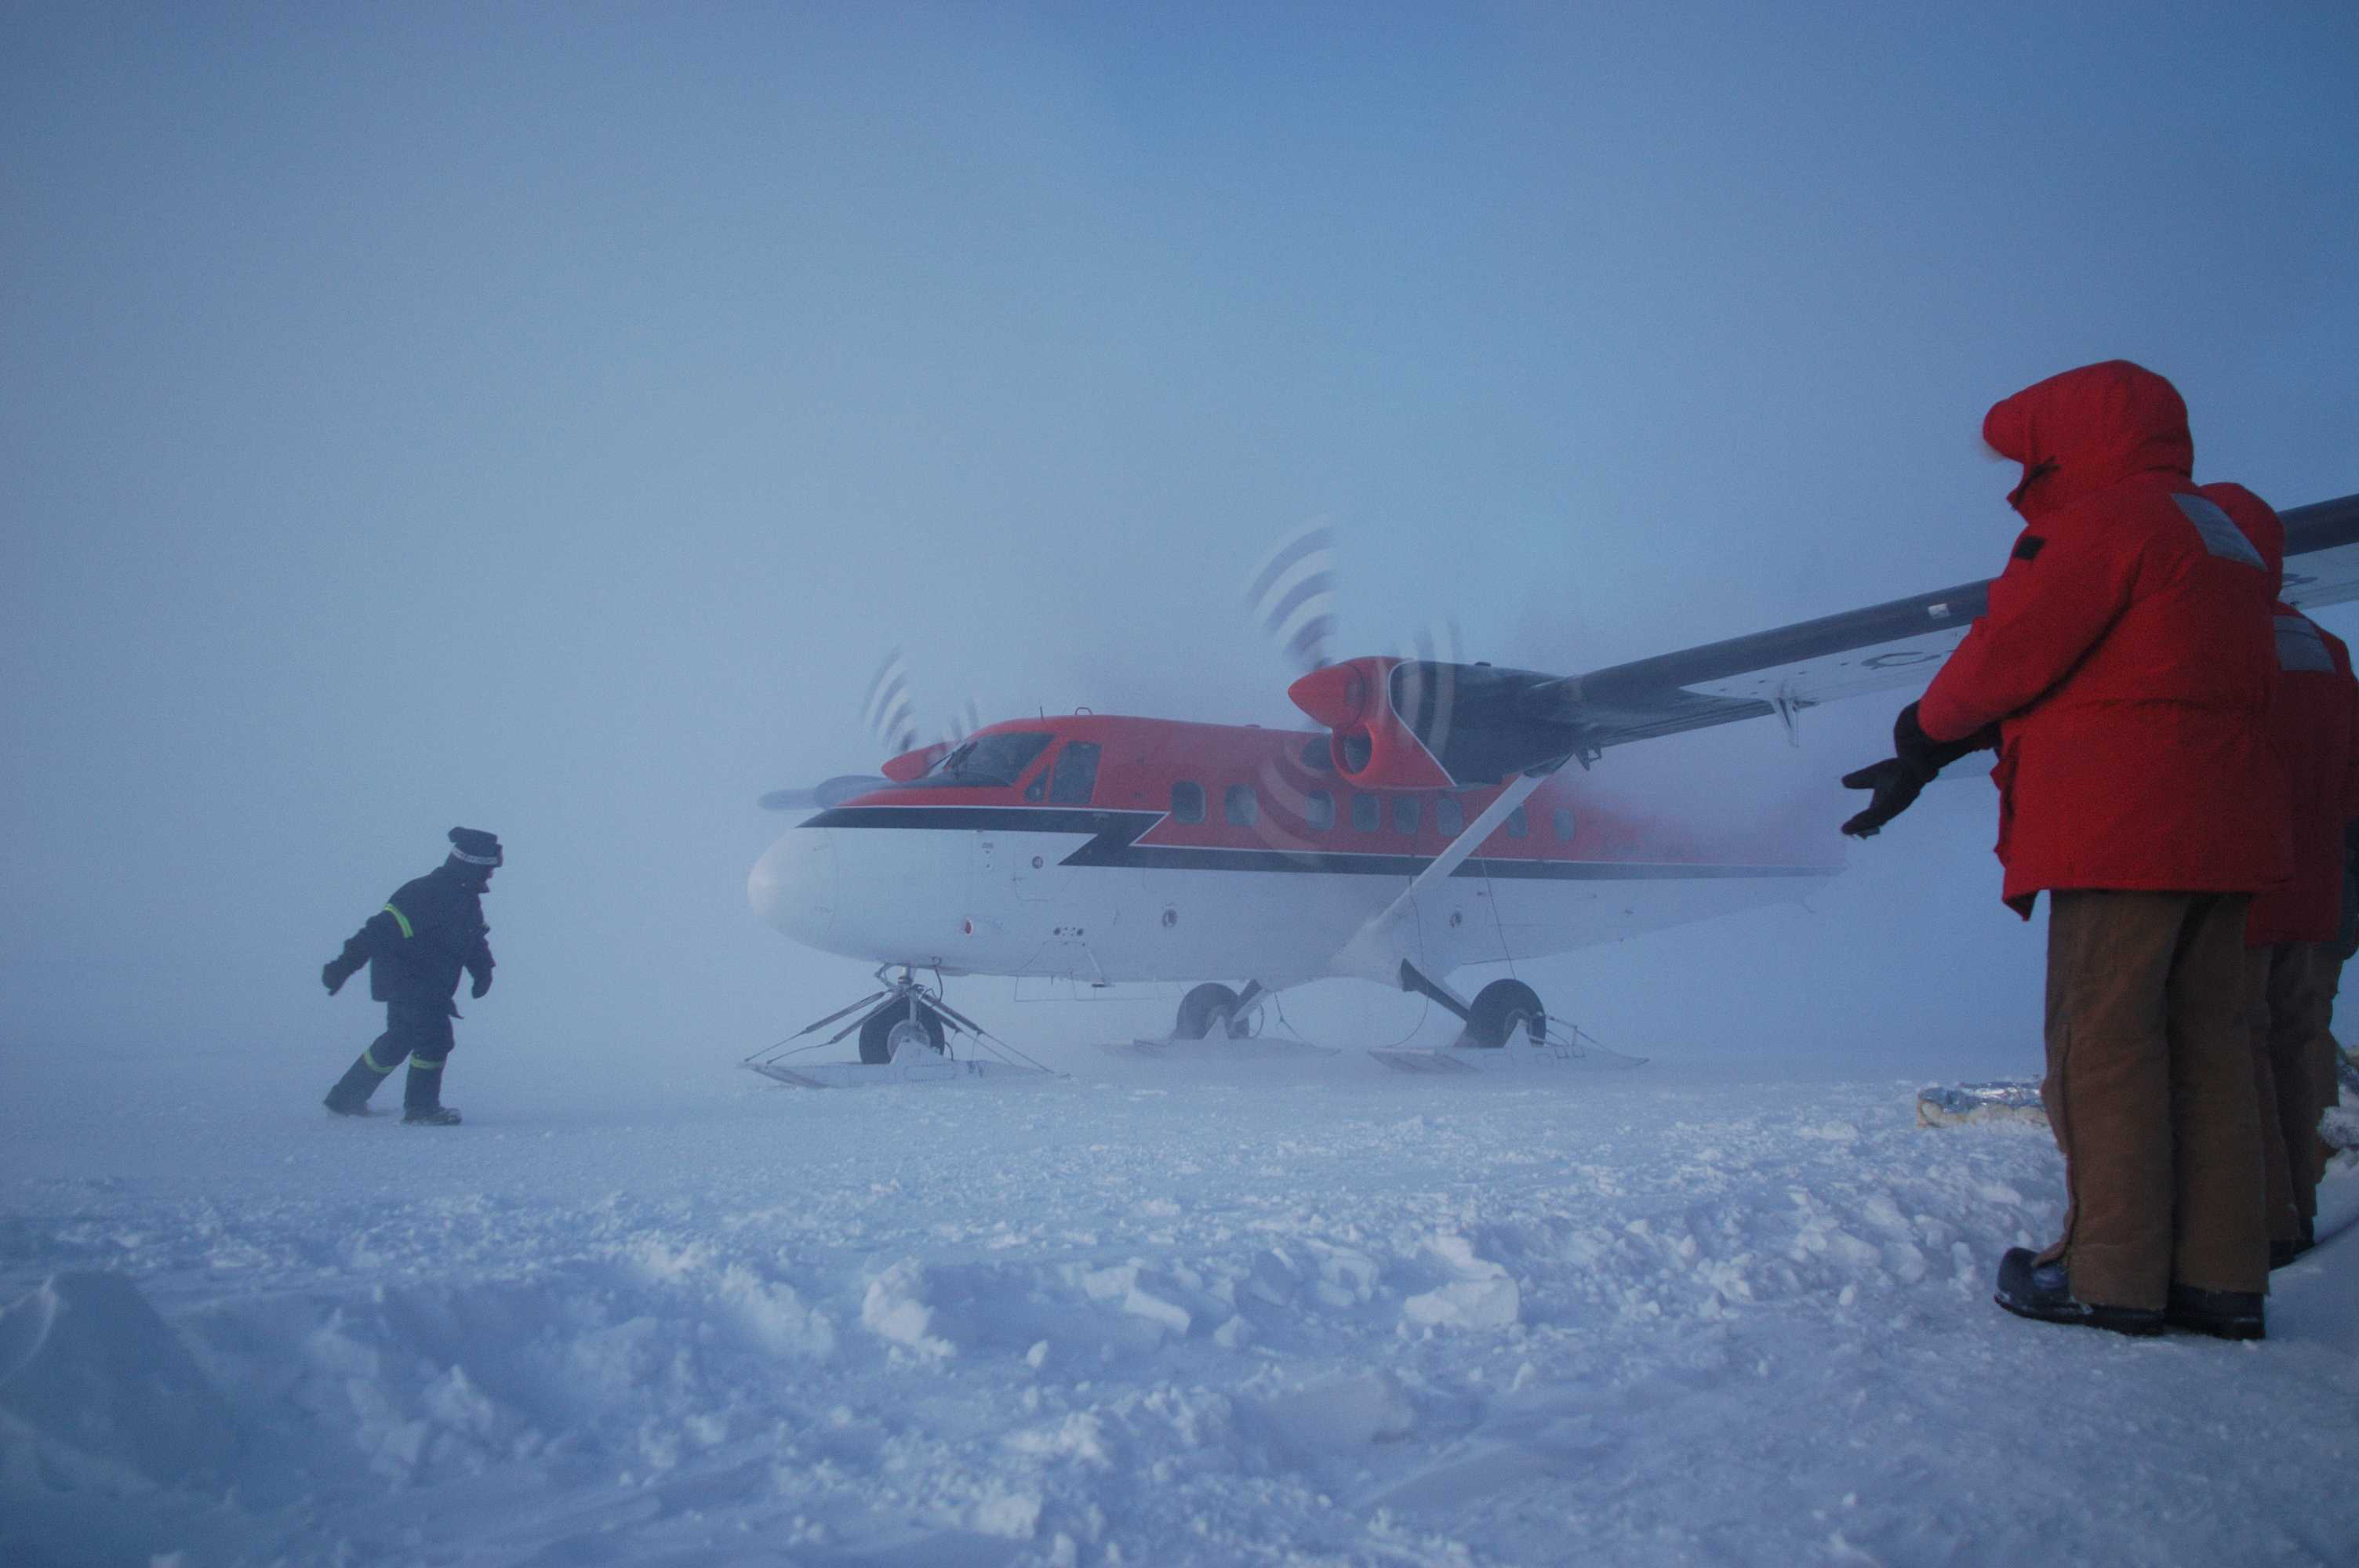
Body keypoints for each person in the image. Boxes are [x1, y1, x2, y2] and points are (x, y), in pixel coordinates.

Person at [1841, 360, 2288, 1339]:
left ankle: (2110, 1272)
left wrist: (1920, 735)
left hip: (2124, 824)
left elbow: (2011, 648)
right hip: (2226, 821)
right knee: (2211, 1040)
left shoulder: (2101, 521)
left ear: (2069, 441)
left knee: (2105, 1042)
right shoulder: (2220, 536)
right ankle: (2220, 1277)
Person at [2208, 482, 2359, 1267]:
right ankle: (2298, 1200)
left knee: (2244, 1043)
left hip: (2250, 877)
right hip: (2321, 888)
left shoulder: (2213, 641)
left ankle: (2257, 1220)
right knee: (2299, 1037)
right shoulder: (2322, 647)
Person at [320, 828, 500, 1125]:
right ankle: (421, 1108)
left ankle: (345, 1099)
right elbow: (377, 932)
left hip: (427, 983)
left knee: (399, 1038)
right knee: (435, 1039)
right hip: (409, 980)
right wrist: (343, 966)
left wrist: (483, 969)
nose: (491, 876)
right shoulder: (425, 893)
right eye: (488, 869)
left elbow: (472, 938)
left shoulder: (464, 898)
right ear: (472, 864)